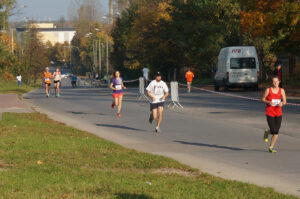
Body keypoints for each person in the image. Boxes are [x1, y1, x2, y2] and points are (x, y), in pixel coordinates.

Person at [262, 76, 286, 153]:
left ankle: (271, 147)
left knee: (276, 132)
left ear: (279, 82)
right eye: (274, 81)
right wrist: (269, 102)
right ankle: (267, 132)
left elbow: (285, 101)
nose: (275, 83)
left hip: (278, 112)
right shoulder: (268, 90)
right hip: (269, 112)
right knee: (273, 130)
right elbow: (263, 99)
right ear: (272, 82)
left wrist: (282, 103)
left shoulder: (282, 91)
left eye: (277, 81)